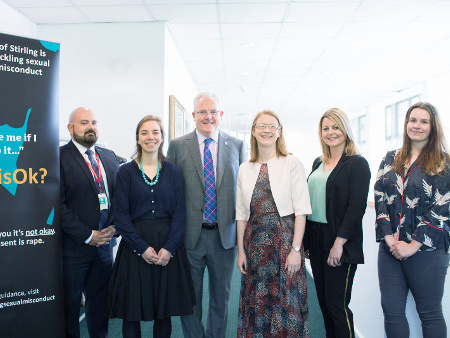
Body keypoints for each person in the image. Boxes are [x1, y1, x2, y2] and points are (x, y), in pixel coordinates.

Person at [107, 115, 195, 338]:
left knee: (163, 311)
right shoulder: (125, 172)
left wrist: (170, 248)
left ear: (162, 137)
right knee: (132, 311)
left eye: (155, 132)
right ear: (137, 138)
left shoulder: (173, 171)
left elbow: (179, 214)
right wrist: (141, 248)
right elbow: (121, 216)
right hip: (135, 247)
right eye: (144, 132)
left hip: (167, 245)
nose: (150, 137)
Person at [167, 92, 246, 338]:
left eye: (213, 111)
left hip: (225, 237)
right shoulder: (178, 146)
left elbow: (243, 193)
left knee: (221, 300)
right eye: (202, 112)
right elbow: (170, 191)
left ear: (221, 115)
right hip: (190, 237)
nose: (208, 116)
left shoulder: (236, 146)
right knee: (189, 300)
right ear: (193, 115)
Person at [374, 102, 450, 338]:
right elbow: (380, 197)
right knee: (392, 312)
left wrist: (412, 245)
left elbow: (442, 207)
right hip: (390, 249)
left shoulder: (444, 162)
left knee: (429, 313)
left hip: (426, 250)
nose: (416, 126)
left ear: (433, 127)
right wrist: (389, 239)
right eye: (413, 120)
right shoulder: (390, 158)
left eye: (423, 121)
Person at [236, 110, 312, 337]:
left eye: (272, 126)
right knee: (257, 302)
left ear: (279, 132)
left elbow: (301, 211)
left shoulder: (292, 163)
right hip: (255, 247)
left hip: (285, 244)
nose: (267, 130)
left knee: (286, 302)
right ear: (253, 131)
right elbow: (241, 214)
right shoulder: (244, 168)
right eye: (261, 126)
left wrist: (296, 250)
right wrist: (241, 251)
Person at [304, 108, 370, 338]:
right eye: (326, 128)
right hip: (316, 237)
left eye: (335, 127)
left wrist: (339, 243)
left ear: (346, 130)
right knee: (323, 303)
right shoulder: (317, 162)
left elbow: (356, 207)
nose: (331, 132)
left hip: (339, 241)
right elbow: (308, 202)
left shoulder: (357, 164)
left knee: (337, 305)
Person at [60, 107, 119, 338]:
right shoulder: (59, 157)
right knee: (70, 308)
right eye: (84, 122)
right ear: (70, 128)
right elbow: (57, 204)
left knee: (100, 306)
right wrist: (88, 235)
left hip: (105, 246)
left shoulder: (108, 156)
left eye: (94, 122)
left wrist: (114, 228)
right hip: (75, 249)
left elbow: (119, 198)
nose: (90, 127)